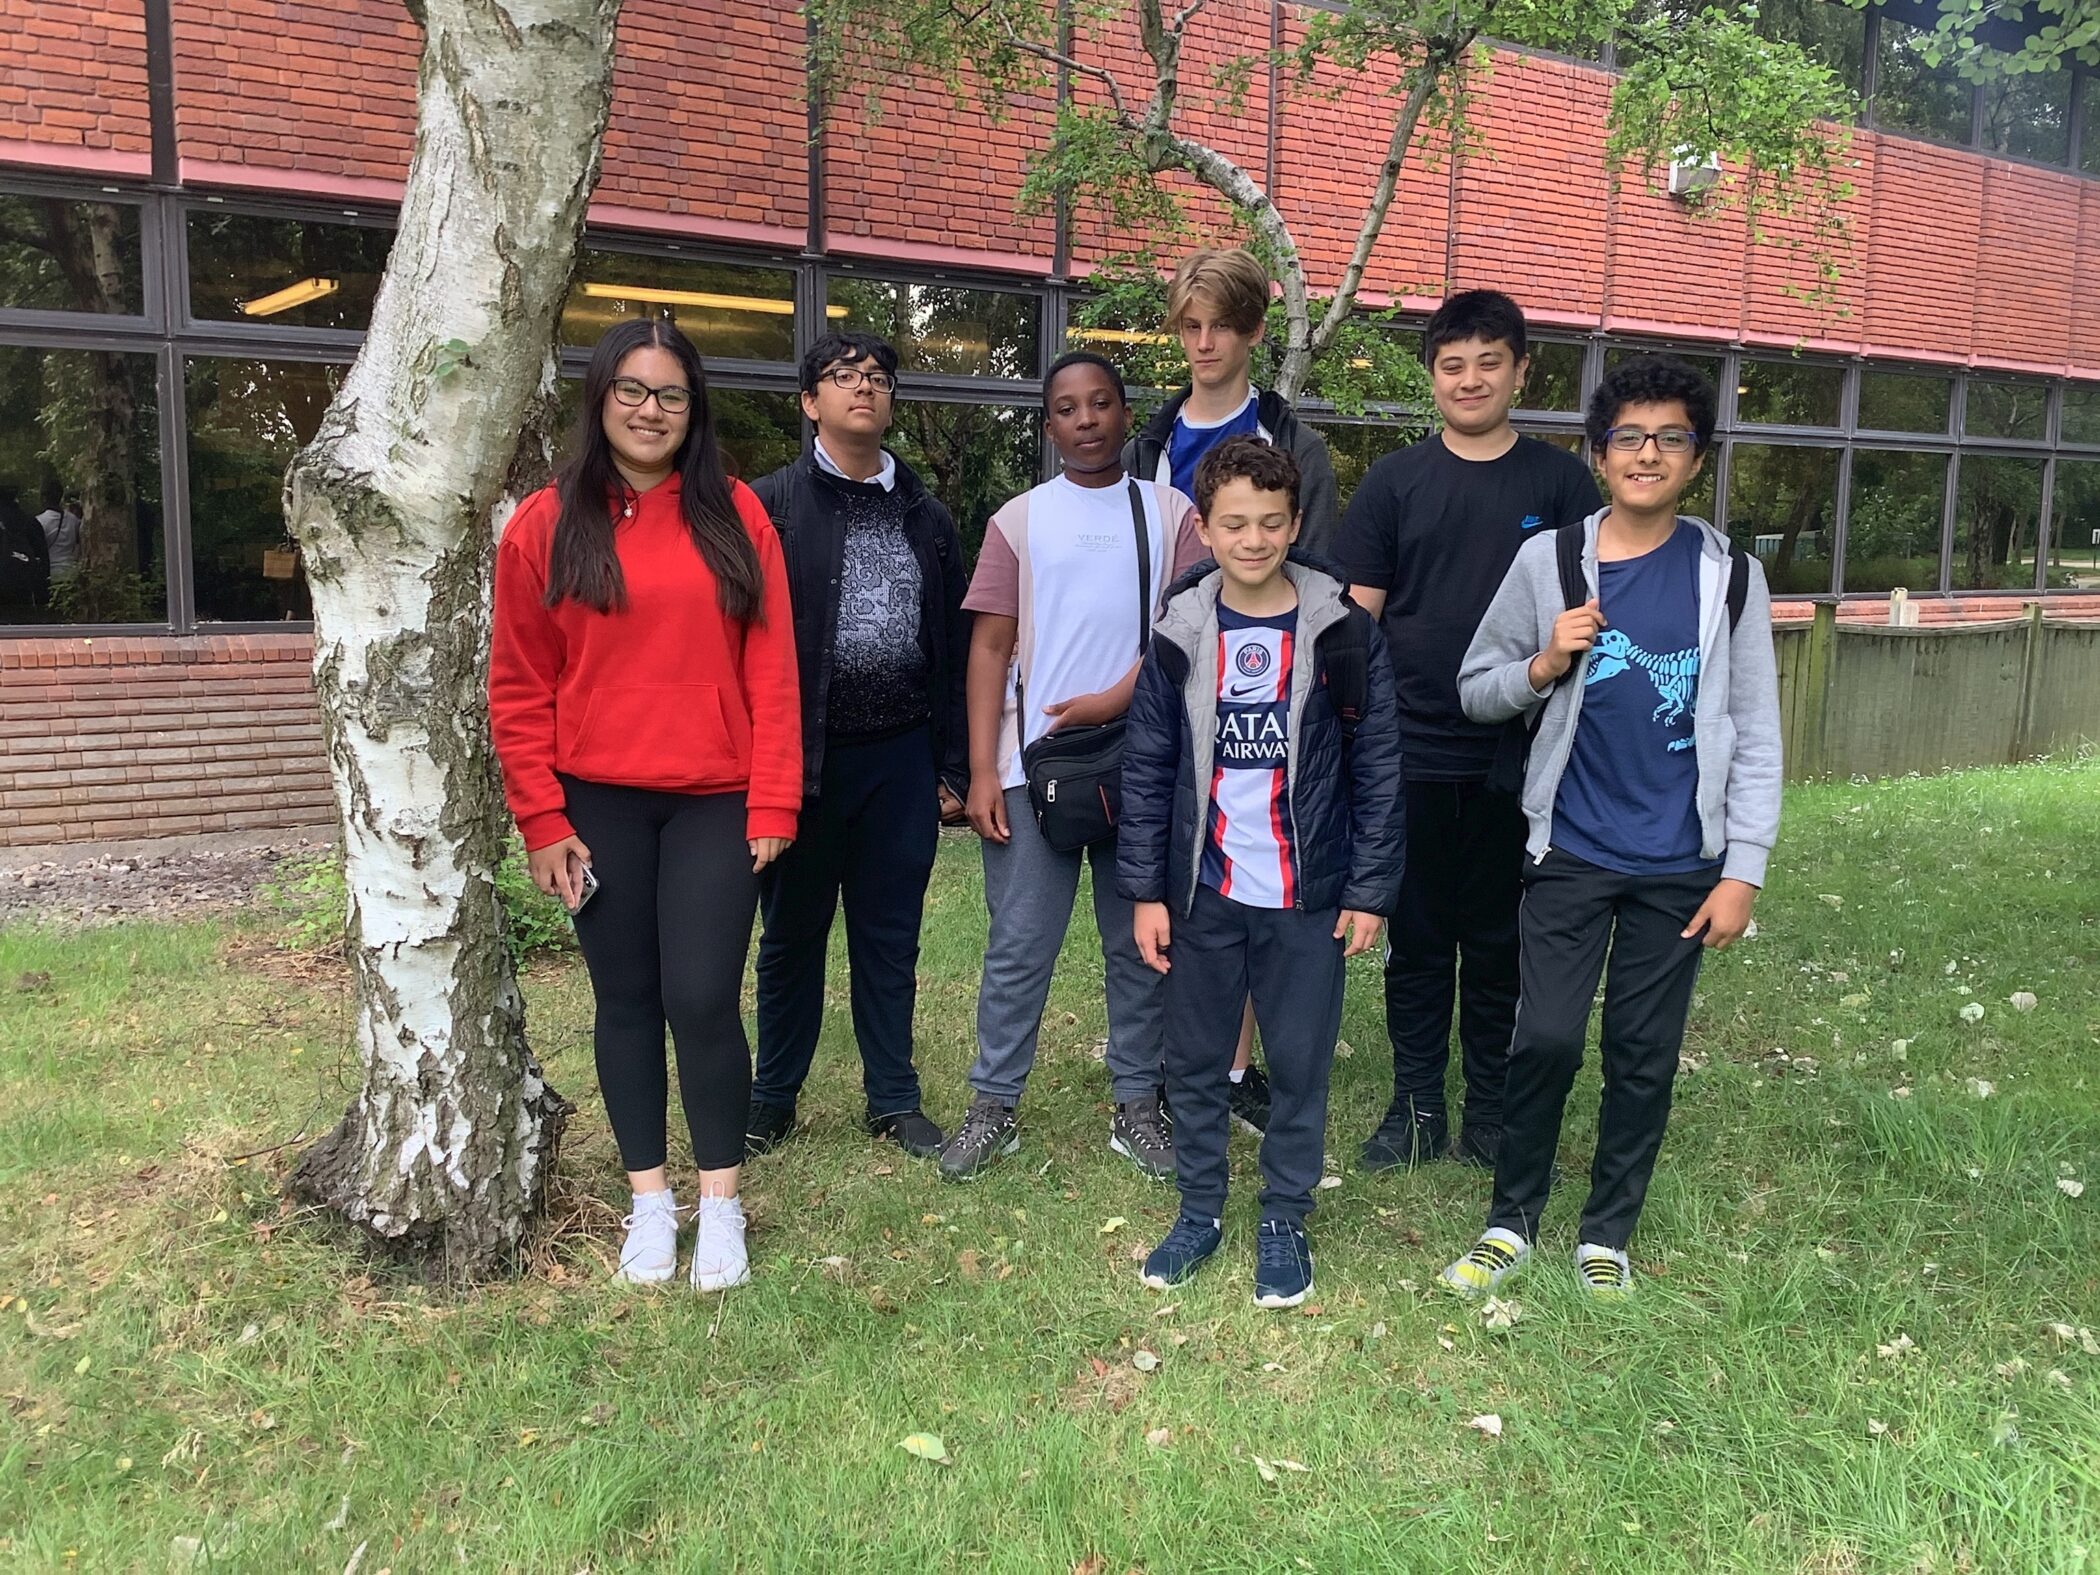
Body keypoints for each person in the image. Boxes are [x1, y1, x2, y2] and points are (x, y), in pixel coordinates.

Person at [1439, 354, 1781, 1299]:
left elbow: (1756, 733)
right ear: (1598, 453)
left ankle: (1606, 1233)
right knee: (1543, 1036)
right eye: (1629, 435)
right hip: (1572, 850)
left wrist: (1742, 869)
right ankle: (1511, 1221)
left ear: (1697, 458)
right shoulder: (1549, 562)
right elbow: (1476, 691)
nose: (1648, 452)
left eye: (1672, 436)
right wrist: (1545, 662)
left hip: (1682, 863)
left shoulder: (1731, 579)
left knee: (1643, 1051)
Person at [490, 318, 801, 1291]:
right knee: (626, 1001)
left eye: (670, 393)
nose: (651, 409)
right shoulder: (546, 524)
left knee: (703, 997)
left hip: (719, 796)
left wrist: (776, 802)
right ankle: (649, 1204)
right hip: (596, 803)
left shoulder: (736, 514)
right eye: (633, 389)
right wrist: (542, 817)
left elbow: (775, 665)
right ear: (601, 397)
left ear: (692, 408)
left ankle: (720, 1206)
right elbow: (518, 682)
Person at [1120, 437, 1403, 1308]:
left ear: (1295, 523)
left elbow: (1380, 763)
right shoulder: (1179, 629)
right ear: (1202, 526)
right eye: (1234, 522)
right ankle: (1200, 1206)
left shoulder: (1342, 628)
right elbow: (1148, 764)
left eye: (1270, 522)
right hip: (1203, 894)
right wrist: (1145, 892)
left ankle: (1284, 1212)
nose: (1252, 539)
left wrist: (1367, 890)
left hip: (1305, 898)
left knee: (1299, 1062)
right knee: (1196, 1061)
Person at [1335, 289, 1603, 1172]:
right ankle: (1414, 1108)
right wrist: (1348, 735)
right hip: (1409, 752)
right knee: (1415, 944)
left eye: (1490, 361)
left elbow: (1586, 615)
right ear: (1433, 377)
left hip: (1519, 758)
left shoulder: (1560, 483)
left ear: (1522, 370)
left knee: (1498, 946)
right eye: (1453, 364)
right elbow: (1356, 621)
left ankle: (1488, 1112)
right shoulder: (1395, 482)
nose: (1472, 378)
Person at [939, 350, 1208, 1183]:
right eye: (1066, 407)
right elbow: (987, 646)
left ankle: (1138, 1105)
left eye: (1101, 403)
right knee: (1020, 943)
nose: (1086, 419)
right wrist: (983, 768)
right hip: (1032, 769)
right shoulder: (1018, 520)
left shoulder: (1171, 513)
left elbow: (1195, 626)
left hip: (1140, 762)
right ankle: (993, 1105)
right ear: (1048, 423)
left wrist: (1115, 697)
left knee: (1138, 944)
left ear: (1128, 415)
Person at [1125, 247, 1344, 1135]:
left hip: (1264, 685)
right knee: (1180, 866)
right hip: (1164, 680)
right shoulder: (1148, 442)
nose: (1205, 341)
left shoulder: (1299, 448)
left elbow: (1320, 578)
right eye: (1190, 325)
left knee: (1253, 857)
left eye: (1222, 324)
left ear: (1254, 329)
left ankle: (1235, 1065)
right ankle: (1171, 1057)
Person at [744, 332, 969, 1161]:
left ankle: (893, 1098)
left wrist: (952, 765)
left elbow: (949, 644)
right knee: (791, 934)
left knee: (888, 934)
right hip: (802, 762)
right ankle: (771, 1099)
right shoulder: (768, 505)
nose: (863, 390)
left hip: (899, 760)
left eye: (877, 378)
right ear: (811, 402)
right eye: (843, 378)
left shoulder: (926, 514)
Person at [36, 485, 82, 585]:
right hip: (71, 573)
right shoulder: (74, 520)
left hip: (50, 575)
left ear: (44, 498)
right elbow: (79, 544)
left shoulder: (39, 521)